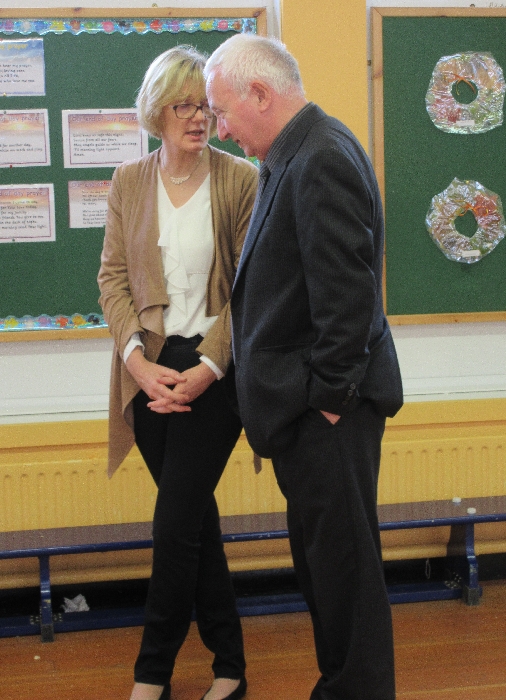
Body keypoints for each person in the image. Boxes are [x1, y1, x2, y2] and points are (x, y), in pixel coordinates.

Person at [204, 34, 404, 700]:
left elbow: (347, 299)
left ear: (260, 94)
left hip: (327, 415)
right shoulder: (296, 151)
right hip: (309, 413)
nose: (220, 129)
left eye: (222, 111)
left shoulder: (318, 158)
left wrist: (326, 401)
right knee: (328, 572)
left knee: (345, 578)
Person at [98, 45, 256, 700]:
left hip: (213, 372)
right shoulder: (128, 180)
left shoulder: (241, 179)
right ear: (156, 112)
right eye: (183, 105)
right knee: (193, 523)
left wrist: (210, 366)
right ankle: (230, 667)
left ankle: (151, 674)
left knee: (173, 525)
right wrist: (137, 362)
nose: (198, 117)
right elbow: (112, 279)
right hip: (148, 370)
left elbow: (250, 288)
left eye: (205, 106)